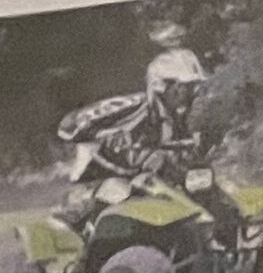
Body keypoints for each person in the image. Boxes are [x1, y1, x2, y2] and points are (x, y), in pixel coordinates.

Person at [56, 43, 218, 211]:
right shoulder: (130, 106)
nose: (191, 94)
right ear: (160, 85)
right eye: (184, 87)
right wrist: (106, 134)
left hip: (144, 191)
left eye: (193, 87)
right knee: (117, 188)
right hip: (93, 187)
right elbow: (67, 126)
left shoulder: (181, 124)